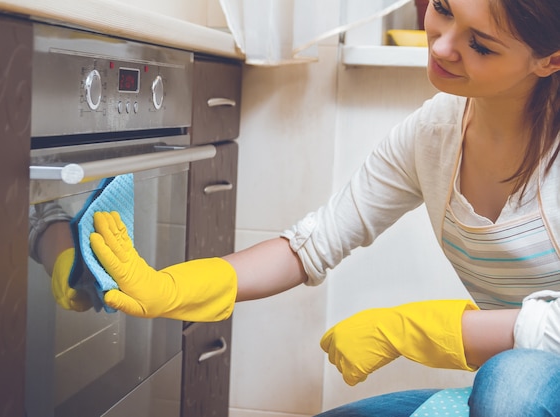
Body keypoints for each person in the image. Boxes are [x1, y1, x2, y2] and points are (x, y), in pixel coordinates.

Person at [41, 0, 560, 415]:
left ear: (550, 58)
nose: (443, 46)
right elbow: (312, 245)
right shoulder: (435, 135)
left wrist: (419, 329)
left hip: (523, 383)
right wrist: (174, 286)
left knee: (512, 379)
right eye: (443, 9)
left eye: (481, 45)